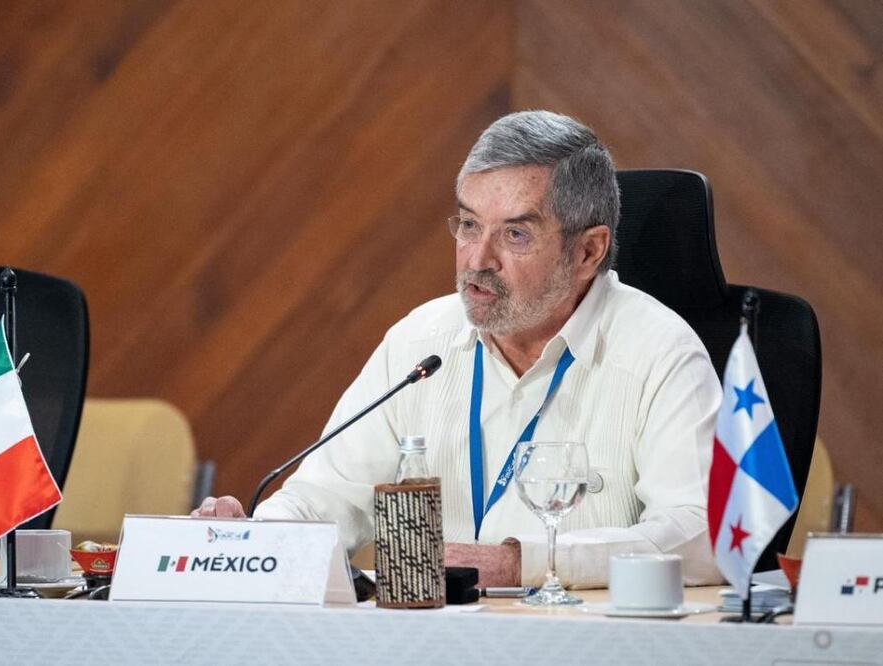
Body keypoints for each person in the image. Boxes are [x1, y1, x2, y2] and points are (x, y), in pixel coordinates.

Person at [194, 110, 724, 588]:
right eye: (469, 225)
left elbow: (702, 535)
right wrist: (250, 541)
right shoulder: (419, 343)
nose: (477, 259)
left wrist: (523, 563)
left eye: (514, 234)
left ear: (588, 251)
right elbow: (325, 496)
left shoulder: (661, 354)